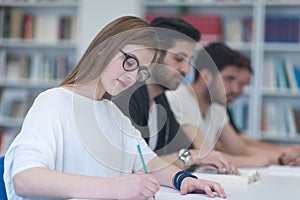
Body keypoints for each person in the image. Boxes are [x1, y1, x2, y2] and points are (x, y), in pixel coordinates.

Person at [3, 16, 226, 199]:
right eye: (129, 62)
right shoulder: (53, 102)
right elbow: (25, 179)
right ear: (103, 49)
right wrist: (114, 188)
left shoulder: (114, 115)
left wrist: (185, 180)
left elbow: (148, 163)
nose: (132, 77)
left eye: (141, 72)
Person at [113, 17, 239, 174]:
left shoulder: (160, 100)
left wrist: (192, 157)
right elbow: (134, 165)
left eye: (189, 61)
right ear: (154, 54)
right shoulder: (127, 97)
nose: (186, 70)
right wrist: (190, 157)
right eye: (178, 58)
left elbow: (186, 150)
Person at [167, 42, 300, 167]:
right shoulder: (179, 98)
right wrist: (257, 161)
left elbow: (239, 148)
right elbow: (205, 157)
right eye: (229, 79)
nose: (236, 90)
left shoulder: (217, 106)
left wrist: (282, 157)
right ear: (206, 76)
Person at [224, 51, 300, 166]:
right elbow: (224, 147)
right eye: (231, 80)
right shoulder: (213, 107)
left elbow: (240, 142)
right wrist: (281, 156)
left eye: (242, 85)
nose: (237, 90)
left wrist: (282, 151)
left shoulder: (221, 108)